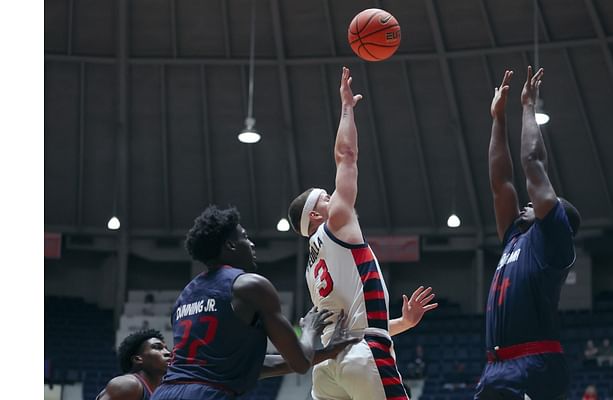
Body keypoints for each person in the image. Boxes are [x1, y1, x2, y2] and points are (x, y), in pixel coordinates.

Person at [287, 67, 439, 400]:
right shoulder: (336, 224)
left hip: (326, 366)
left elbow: (351, 317)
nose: (334, 197)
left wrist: (401, 323)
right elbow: (346, 156)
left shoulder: (312, 267)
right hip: (361, 352)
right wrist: (346, 108)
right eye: (327, 197)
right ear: (316, 214)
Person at [151, 205, 355, 400]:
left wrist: (327, 352)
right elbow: (301, 363)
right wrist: (310, 329)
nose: (251, 244)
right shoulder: (250, 286)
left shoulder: (185, 297)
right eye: (245, 238)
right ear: (230, 245)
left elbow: (251, 367)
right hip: (207, 394)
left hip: (164, 392)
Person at [475, 67, 582, 400]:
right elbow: (500, 184)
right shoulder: (514, 237)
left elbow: (533, 163)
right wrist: (497, 119)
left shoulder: (552, 240)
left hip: (534, 365)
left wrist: (527, 107)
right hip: (496, 367)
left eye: (539, 203)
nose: (529, 203)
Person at [96, 329, 171, 400]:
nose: (168, 353)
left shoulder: (164, 390)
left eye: (166, 348)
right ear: (138, 359)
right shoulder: (128, 384)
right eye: (157, 347)